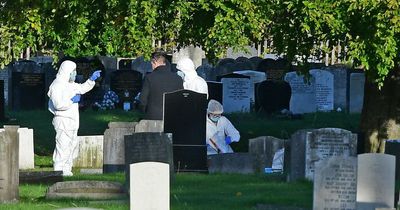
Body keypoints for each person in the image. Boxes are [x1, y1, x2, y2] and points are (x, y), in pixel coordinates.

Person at [47, 60, 101, 176]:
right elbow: (58, 104)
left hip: (72, 120)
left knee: (71, 145)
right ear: (67, 71)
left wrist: (91, 80)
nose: (75, 73)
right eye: (73, 71)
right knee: (62, 145)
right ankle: (58, 169)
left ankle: (67, 169)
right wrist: (71, 101)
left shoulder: (70, 84)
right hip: (63, 120)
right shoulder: (57, 85)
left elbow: (81, 88)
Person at [139, 51, 183, 120]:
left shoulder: (149, 78)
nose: (152, 66)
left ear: (155, 62)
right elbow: (181, 99)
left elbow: (143, 100)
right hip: (173, 117)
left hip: (153, 116)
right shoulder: (178, 79)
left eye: (152, 64)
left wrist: (145, 111)